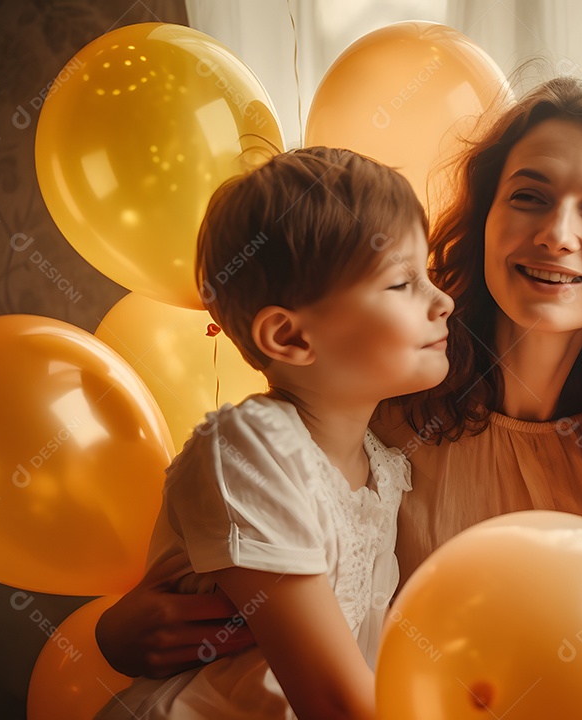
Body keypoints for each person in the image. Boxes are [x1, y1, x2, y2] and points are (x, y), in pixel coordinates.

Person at [96, 76, 582, 718]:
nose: (557, 232)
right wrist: (116, 632)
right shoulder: (380, 399)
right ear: (486, 217)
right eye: (529, 196)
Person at [96, 147, 454, 720]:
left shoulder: (384, 467)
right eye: (402, 284)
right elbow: (335, 702)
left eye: (430, 275)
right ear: (289, 339)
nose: (443, 301)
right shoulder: (249, 449)